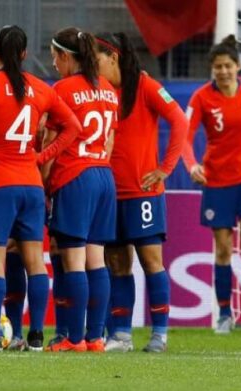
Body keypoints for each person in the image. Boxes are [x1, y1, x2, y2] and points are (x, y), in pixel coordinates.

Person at [0, 25, 81, 352]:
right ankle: (36, 337)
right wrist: (42, 156)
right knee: (36, 261)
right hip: (31, 186)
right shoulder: (41, 88)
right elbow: (72, 127)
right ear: (24, 54)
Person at [181, 34, 241, 334]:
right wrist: (192, 164)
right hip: (217, 180)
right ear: (213, 69)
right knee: (223, 248)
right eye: (217, 67)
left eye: (228, 66)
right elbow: (185, 136)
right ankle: (224, 313)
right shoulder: (201, 97)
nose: (223, 71)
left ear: (238, 66)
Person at [95, 32, 188, 352]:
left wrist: (165, 167)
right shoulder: (100, 92)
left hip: (142, 192)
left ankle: (160, 333)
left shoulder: (145, 85)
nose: (94, 69)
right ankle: (121, 335)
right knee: (117, 264)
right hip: (110, 192)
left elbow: (179, 120)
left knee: (151, 261)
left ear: (113, 57)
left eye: (97, 61)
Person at [44, 27, 118, 353]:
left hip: (75, 176)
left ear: (64, 56)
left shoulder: (61, 89)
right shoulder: (108, 89)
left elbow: (50, 141)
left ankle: (74, 339)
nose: (53, 63)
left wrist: (45, 181)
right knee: (96, 259)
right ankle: (96, 337)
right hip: (104, 175)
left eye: (54, 56)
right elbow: (110, 140)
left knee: (73, 260)